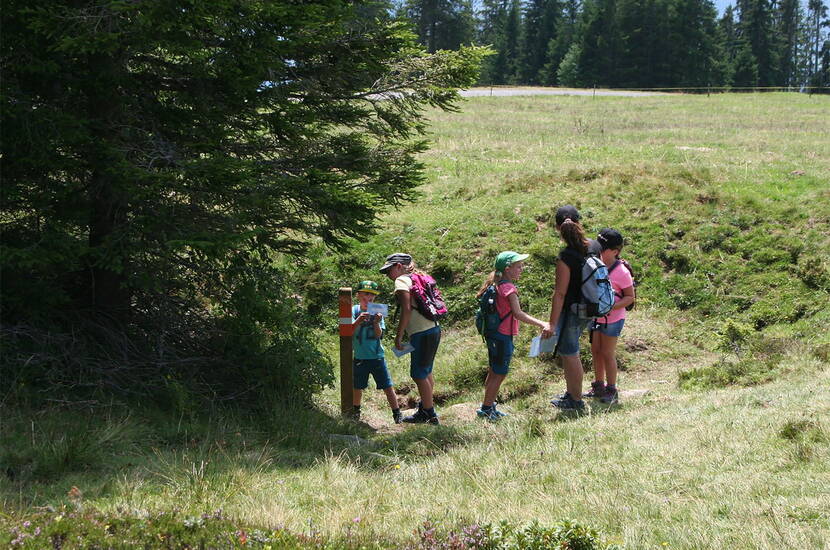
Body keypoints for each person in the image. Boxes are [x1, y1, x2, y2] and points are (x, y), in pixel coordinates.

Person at [476, 251, 550, 421]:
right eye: (518, 266)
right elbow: (518, 314)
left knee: (494, 370)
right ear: (508, 269)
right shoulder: (509, 288)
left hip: (493, 334)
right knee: (500, 372)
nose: (521, 269)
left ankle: (488, 405)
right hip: (503, 335)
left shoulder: (496, 284)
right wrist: (542, 324)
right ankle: (486, 409)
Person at [542, 205, 602, 411]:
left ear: (558, 228)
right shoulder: (594, 246)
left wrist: (552, 323)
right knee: (571, 350)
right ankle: (572, 392)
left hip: (574, 311)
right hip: (592, 307)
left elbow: (559, 294)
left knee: (570, 352)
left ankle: (575, 401)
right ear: (579, 222)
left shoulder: (565, 257)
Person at [380, 253, 441, 425]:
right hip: (434, 328)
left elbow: (406, 309)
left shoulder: (401, 281)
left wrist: (399, 335)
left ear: (398, 266)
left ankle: (429, 414)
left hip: (420, 332)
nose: (388, 275)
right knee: (426, 371)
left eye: (389, 270)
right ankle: (425, 408)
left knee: (418, 374)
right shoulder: (419, 277)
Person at [587, 229, 634, 404]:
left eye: (604, 248)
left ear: (615, 251)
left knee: (607, 352)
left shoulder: (621, 271)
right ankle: (598, 385)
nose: (600, 250)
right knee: (596, 351)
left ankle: (611, 389)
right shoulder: (594, 264)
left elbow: (630, 297)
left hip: (613, 319)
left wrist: (610, 307)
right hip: (596, 317)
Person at [351, 280, 402, 424]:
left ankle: (397, 413)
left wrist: (376, 322)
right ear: (358, 295)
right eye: (365, 295)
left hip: (377, 357)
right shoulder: (353, 310)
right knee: (358, 387)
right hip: (360, 357)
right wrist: (357, 321)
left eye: (371, 297)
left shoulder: (377, 311)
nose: (368, 299)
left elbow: (379, 335)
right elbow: (348, 331)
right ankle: (356, 411)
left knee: (387, 385)